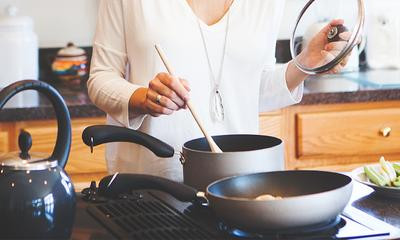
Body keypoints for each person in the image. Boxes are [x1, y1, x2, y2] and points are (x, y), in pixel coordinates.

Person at [88, 0, 348, 182]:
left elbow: (247, 90)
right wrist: (145, 99)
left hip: (238, 184)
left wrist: (305, 63)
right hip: (151, 182)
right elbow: (101, 78)